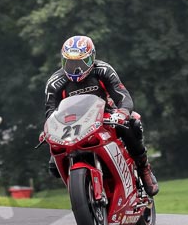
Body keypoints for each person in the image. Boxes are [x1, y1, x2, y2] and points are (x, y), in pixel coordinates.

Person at [43, 35, 159, 196]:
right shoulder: (55, 82)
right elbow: (50, 111)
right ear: (63, 61)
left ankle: (143, 167)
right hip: (71, 126)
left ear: (92, 58)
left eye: (81, 62)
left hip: (105, 116)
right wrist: (49, 129)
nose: (76, 68)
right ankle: (82, 189)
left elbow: (123, 96)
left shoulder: (103, 70)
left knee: (132, 124)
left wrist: (122, 113)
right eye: (70, 62)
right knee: (53, 166)